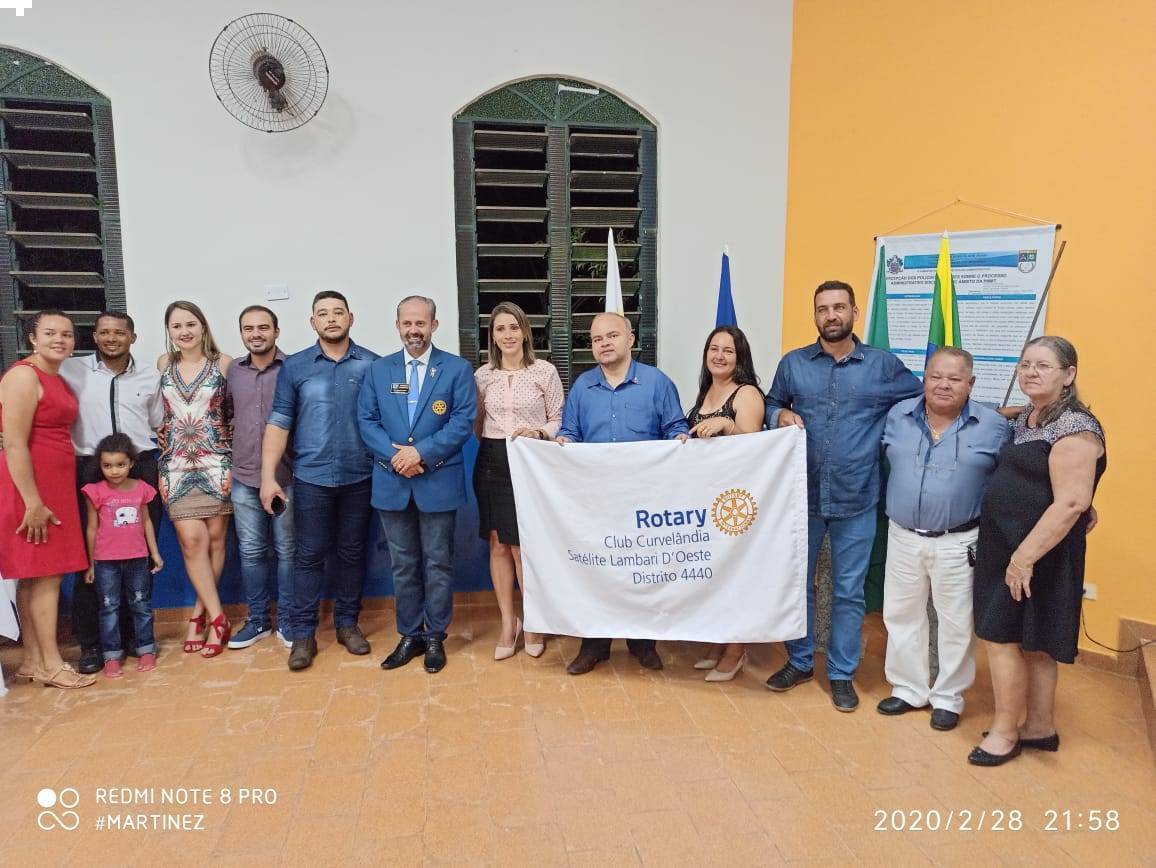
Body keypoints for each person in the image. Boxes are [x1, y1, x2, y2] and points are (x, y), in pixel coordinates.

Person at [764, 280, 922, 711]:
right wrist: (779, 414)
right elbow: (771, 403)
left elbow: (926, 402)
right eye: (822, 309)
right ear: (814, 315)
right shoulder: (794, 364)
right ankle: (799, 661)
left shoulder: (883, 366)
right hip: (802, 497)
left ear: (854, 312)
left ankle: (840, 673)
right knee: (797, 584)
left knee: (849, 591)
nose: (830, 315)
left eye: (838, 307)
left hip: (858, 497)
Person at [969, 336, 1106, 766]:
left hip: (1034, 553)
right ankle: (1040, 726)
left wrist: (1023, 559)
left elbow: (1071, 503)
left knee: (1001, 638)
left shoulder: (1076, 427)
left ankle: (1004, 733)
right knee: (1036, 642)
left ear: (1069, 375)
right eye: (1025, 364)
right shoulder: (1031, 416)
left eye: (1043, 366)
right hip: (1009, 544)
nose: (1030, 372)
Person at [876, 348, 1009, 730]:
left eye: (954, 378)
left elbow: (1015, 477)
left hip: (960, 542)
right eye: (936, 376)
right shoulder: (898, 416)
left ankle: (949, 697)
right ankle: (908, 688)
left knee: (956, 623)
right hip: (903, 535)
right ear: (924, 378)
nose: (943, 385)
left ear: (971, 383)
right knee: (901, 615)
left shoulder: (993, 426)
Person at [556, 312, 689, 675]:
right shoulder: (582, 387)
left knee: (642, 571)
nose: (604, 343)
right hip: (595, 500)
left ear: (630, 339)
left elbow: (675, 426)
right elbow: (570, 432)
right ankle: (594, 645)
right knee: (597, 573)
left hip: (645, 500)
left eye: (612, 335)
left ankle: (643, 643)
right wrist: (563, 441)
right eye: (597, 339)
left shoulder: (657, 382)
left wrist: (679, 438)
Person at [262, 291, 378, 672]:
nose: (331, 319)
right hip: (311, 479)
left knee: (352, 553)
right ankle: (303, 635)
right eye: (323, 313)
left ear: (350, 318)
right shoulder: (295, 367)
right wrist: (268, 477)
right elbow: (279, 423)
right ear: (312, 322)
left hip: (360, 476)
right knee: (308, 556)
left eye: (338, 312)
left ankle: (347, 624)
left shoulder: (372, 365)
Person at [359, 295, 476, 675]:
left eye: (421, 323)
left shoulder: (456, 369)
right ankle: (409, 634)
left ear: (434, 325)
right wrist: (398, 458)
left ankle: (435, 636)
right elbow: (366, 421)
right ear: (397, 326)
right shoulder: (379, 370)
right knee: (403, 564)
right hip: (392, 481)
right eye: (407, 323)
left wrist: (421, 454)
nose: (414, 330)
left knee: (438, 562)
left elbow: (462, 422)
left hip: (437, 480)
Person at [61, 310, 163, 674]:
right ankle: (92, 644)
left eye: (119, 333)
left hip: (140, 467)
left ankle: (135, 638)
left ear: (132, 337)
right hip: (90, 467)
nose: (111, 339)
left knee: (137, 553)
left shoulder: (150, 376)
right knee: (93, 555)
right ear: (94, 337)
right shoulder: (73, 372)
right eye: (104, 332)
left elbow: (156, 422)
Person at [0, 310, 95, 688]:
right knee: (47, 576)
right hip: (32, 489)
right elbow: (14, 444)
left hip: (52, 484)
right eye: (51, 333)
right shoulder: (23, 376)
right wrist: (33, 502)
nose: (60, 340)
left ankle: (33, 660)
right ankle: (53, 665)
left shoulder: (55, 376)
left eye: (67, 334)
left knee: (35, 575)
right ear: (32, 337)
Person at [472, 302, 563, 660]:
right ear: (492, 336)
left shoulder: (545, 371)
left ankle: (534, 622)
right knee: (497, 544)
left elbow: (558, 418)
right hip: (492, 461)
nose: (507, 335)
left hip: (531, 460)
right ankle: (508, 623)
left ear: (525, 332)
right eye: (500, 329)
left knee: (523, 546)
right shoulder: (482, 376)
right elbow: (477, 422)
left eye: (514, 327)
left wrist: (539, 432)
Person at [686, 326, 765, 681]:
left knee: (736, 574)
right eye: (713, 349)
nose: (719, 356)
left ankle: (737, 649)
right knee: (716, 572)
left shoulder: (746, 393)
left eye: (728, 351)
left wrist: (727, 426)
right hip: (707, 498)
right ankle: (720, 640)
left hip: (735, 503)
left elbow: (755, 451)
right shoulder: (707, 390)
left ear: (740, 357)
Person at [156, 300, 233, 658]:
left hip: (216, 461)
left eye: (190, 324)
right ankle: (219, 618)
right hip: (176, 464)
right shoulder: (163, 364)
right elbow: (157, 411)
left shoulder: (224, 363)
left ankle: (200, 616)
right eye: (177, 326)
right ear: (169, 331)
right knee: (191, 541)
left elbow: (238, 408)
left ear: (203, 326)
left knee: (215, 541)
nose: (184, 331)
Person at [226, 305, 295, 650]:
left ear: (276, 331)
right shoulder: (233, 372)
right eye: (248, 328)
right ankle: (257, 620)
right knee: (251, 552)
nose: (256, 334)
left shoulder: (293, 368)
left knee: (287, 551)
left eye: (263, 327)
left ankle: (289, 620)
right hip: (244, 477)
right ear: (241, 333)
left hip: (287, 476)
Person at [81, 433, 163, 678]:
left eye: (120, 464)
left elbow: (147, 522)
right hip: (105, 562)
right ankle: (111, 655)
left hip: (137, 558)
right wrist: (91, 564)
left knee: (141, 605)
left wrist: (155, 554)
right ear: (99, 465)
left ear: (131, 463)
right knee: (109, 608)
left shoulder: (142, 489)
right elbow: (91, 528)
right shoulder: (94, 492)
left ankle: (146, 649)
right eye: (107, 465)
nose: (114, 471)